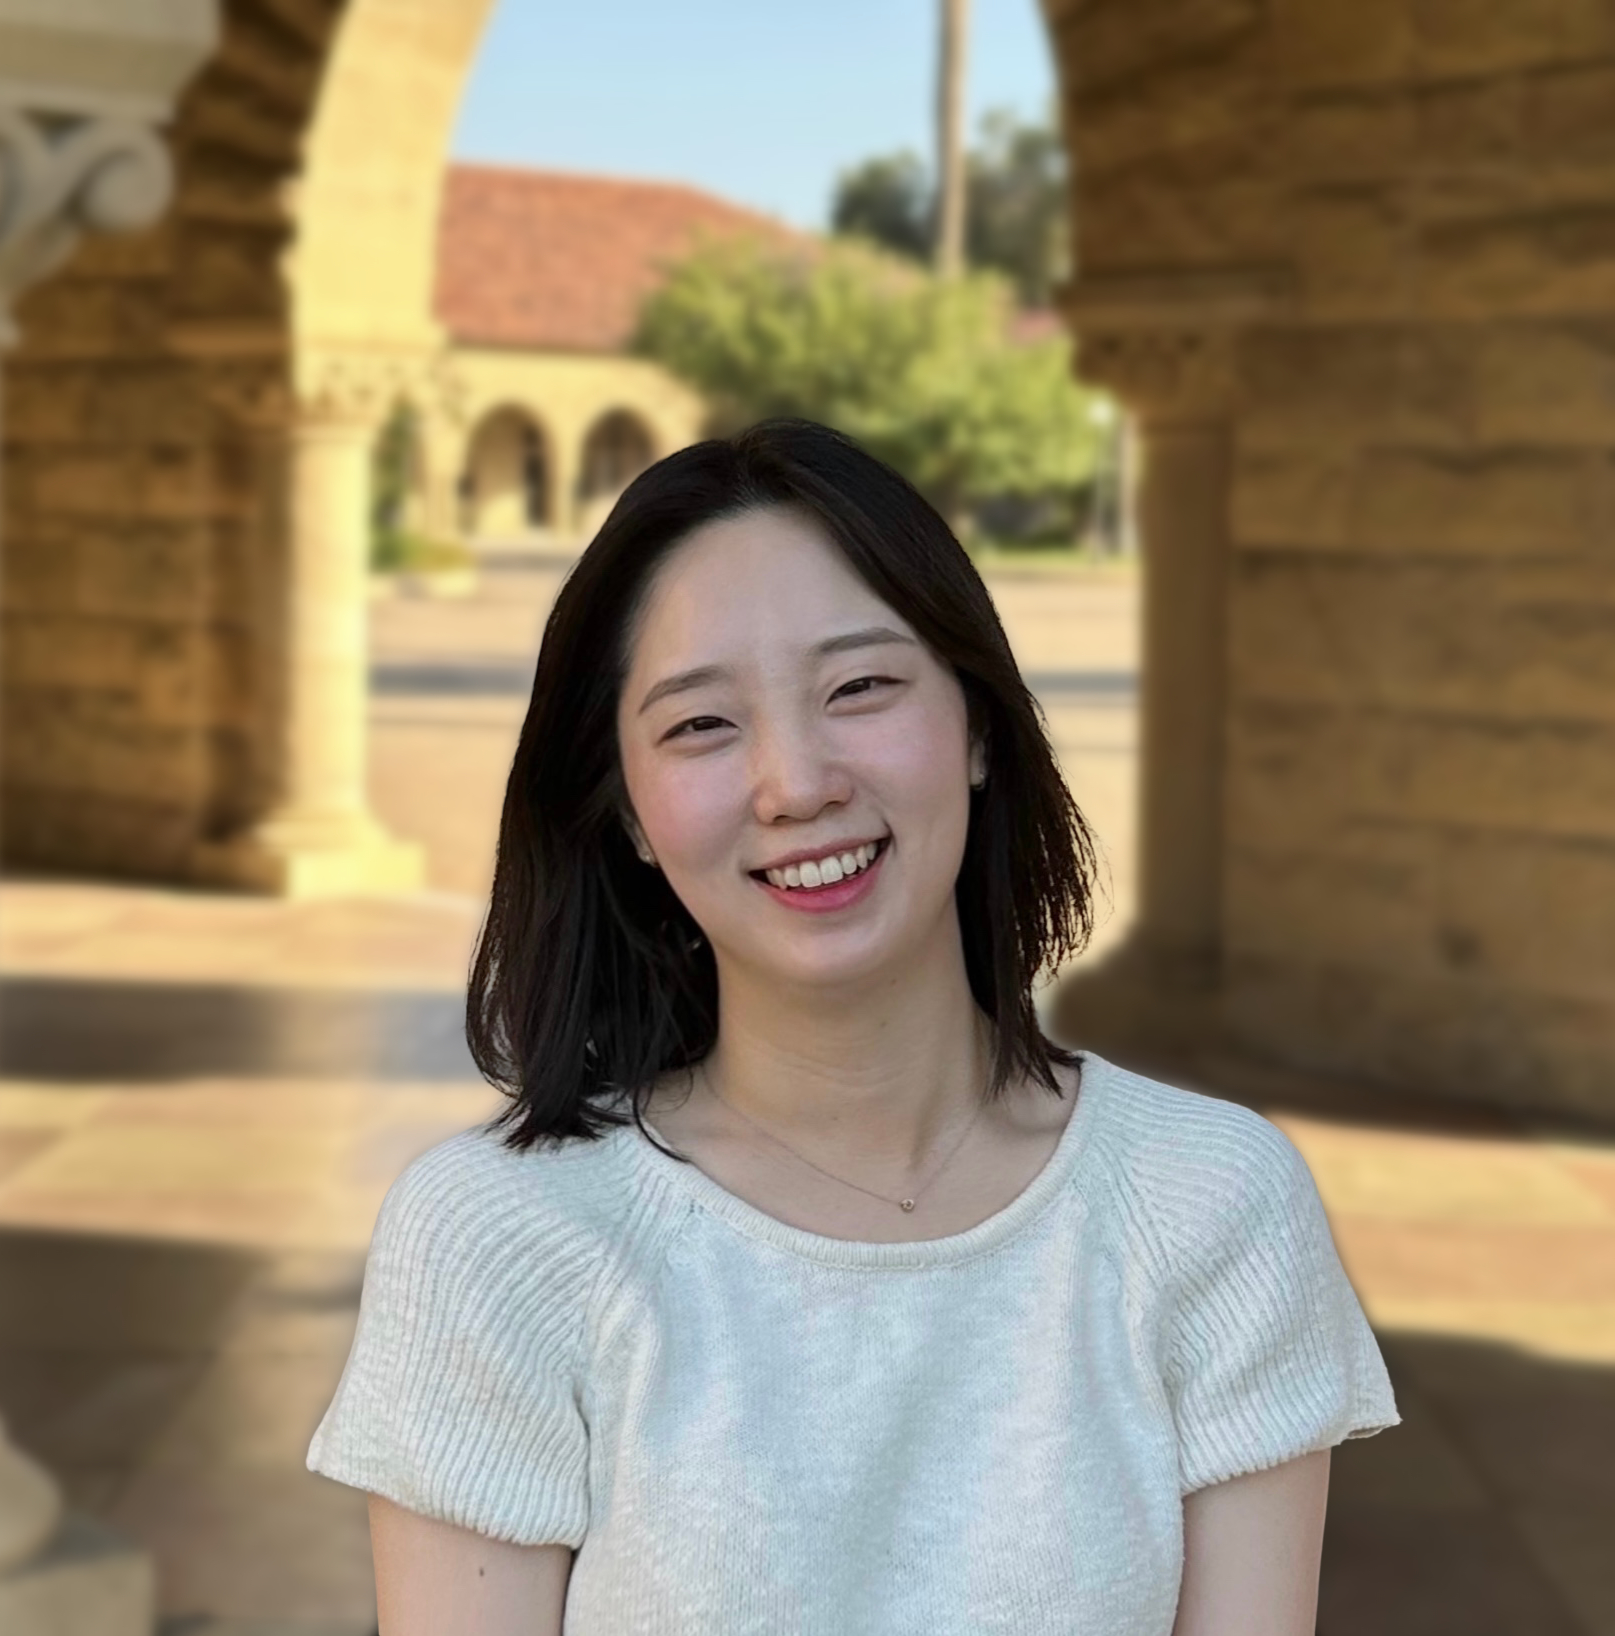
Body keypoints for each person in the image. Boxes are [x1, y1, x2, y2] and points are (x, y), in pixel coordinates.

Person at [308, 419, 1399, 1636]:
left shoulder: (1210, 1200)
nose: (795, 782)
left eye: (859, 687)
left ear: (975, 724)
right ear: (624, 813)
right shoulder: (499, 1238)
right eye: (699, 724)